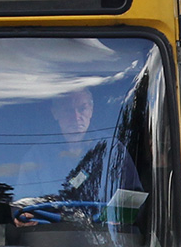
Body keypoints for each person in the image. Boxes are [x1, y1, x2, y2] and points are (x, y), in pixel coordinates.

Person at [14, 87, 142, 226]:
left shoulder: (112, 150)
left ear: (91, 111)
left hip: (106, 239)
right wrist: (21, 217)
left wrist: (119, 216)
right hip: (50, 239)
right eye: (68, 110)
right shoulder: (36, 155)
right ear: (55, 113)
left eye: (82, 109)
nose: (76, 117)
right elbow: (22, 204)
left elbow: (133, 197)